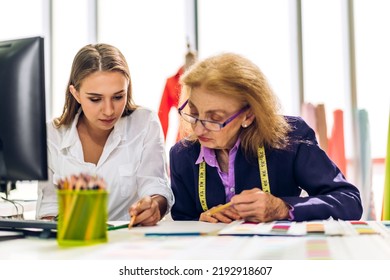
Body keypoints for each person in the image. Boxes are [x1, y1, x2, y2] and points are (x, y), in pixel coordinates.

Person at [169, 52, 363, 223]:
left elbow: (348, 200)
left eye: (215, 119)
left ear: (249, 115)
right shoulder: (182, 155)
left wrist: (282, 208)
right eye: (193, 113)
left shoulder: (291, 138)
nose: (199, 129)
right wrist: (200, 220)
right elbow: (183, 222)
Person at [36, 43, 174, 225]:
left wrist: (154, 205)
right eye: (95, 99)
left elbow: (155, 184)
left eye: (118, 97)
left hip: (128, 244)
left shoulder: (145, 122)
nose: (109, 111)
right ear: (75, 93)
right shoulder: (51, 135)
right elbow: (49, 207)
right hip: (73, 244)